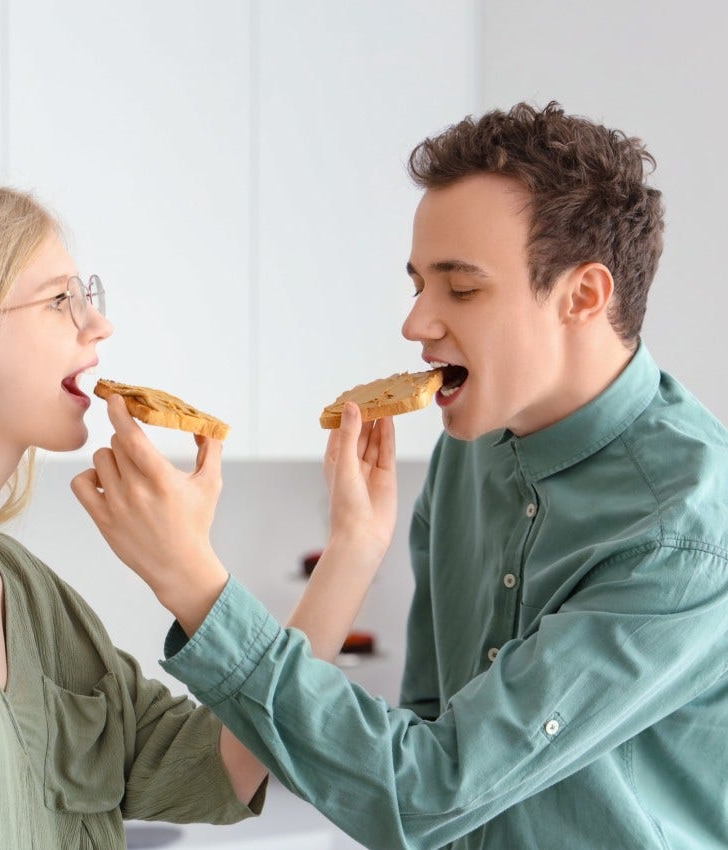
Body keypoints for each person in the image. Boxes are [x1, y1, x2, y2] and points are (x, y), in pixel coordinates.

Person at [75, 101, 728, 850]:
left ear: (583, 296)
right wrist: (354, 542)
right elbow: (425, 720)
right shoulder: (470, 451)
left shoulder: (684, 536)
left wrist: (195, 583)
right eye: (418, 284)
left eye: (462, 288)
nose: (415, 324)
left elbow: (428, 791)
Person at [0, 182, 315, 849]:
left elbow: (225, 762)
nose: (99, 325)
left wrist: (352, 544)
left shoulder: (31, 594)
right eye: (60, 301)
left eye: (87, 297)